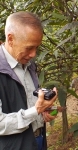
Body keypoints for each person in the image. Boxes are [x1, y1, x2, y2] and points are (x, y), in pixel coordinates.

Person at [0, 11, 58, 150]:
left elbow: (28, 102)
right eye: (29, 48)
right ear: (10, 39)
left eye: (36, 47)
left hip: (38, 140)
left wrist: (43, 112)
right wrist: (35, 110)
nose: (33, 54)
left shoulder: (29, 64)